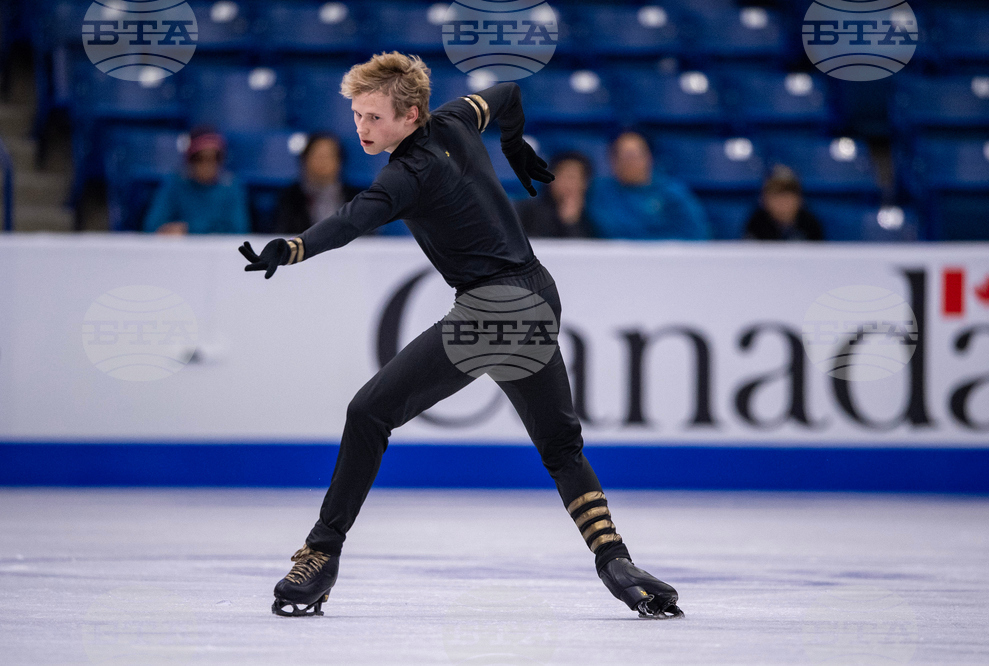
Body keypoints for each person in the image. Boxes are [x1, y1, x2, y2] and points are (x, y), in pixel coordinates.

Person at [239, 52, 683, 620]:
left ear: (410, 115)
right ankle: (618, 564)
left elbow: (351, 219)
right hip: (537, 295)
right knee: (561, 447)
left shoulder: (406, 174)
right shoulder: (455, 119)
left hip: (493, 309)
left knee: (368, 413)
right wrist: (515, 146)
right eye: (357, 115)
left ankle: (320, 554)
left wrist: (294, 247)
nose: (362, 128)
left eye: (374, 117)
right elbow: (508, 95)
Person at [588, 131, 709, 240]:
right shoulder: (600, 192)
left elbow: (697, 233)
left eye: (634, 156)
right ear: (612, 161)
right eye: (623, 156)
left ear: (649, 157)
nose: (629, 163)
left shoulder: (672, 193)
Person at [142, 127, 250, 235]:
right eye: (200, 158)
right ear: (189, 160)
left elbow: (239, 230)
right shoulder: (174, 183)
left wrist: (189, 229)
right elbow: (152, 226)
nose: (208, 165)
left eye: (215, 158)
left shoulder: (232, 187)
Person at [272, 133, 362, 235]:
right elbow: (283, 233)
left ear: (339, 161)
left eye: (328, 156)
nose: (322, 161)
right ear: (305, 160)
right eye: (318, 155)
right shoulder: (290, 198)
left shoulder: (355, 199)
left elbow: (368, 240)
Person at [514, 151, 596, 238]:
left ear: (585, 184)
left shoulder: (591, 217)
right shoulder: (527, 210)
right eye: (562, 176)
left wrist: (571, 223)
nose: (567, 183)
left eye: (572, 177)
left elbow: (585, 249)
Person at [744, 165, 824, 241]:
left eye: (788, 194)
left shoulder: (810, 224)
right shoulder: (756, 224)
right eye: (777, 194)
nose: (783, 201)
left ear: (799, 199)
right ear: (765, 199)